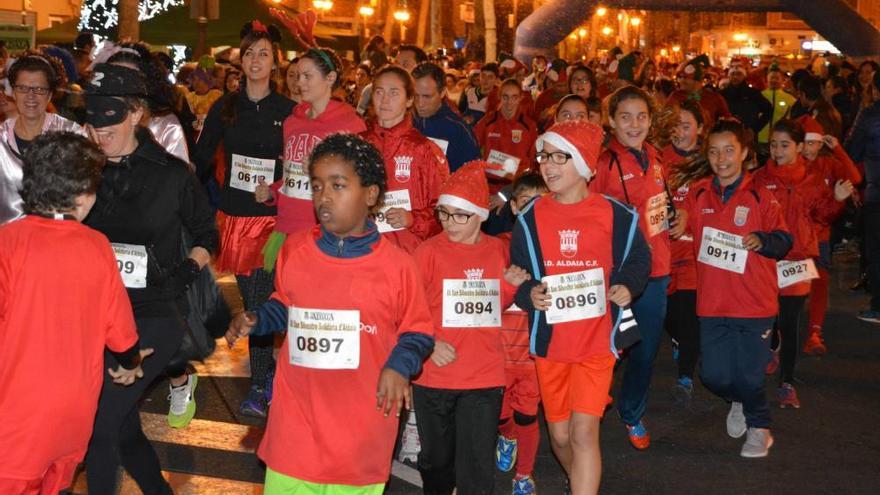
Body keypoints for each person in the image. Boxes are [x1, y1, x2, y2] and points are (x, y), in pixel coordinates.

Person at [225, 133, 435, 495]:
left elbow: (418, 331)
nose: (324, 196)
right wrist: (259, 317)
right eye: (318, 185)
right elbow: (286, 304)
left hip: (360, 429)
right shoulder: (296, 249)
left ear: (370, 195)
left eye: (338, 186)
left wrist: (399, 366)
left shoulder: (398, 267)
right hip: (297, 423)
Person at [82, 63, 218, 494]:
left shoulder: (171, 174)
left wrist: (187, 270)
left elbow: (206, 233)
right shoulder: (84, 169)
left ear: (137, 113)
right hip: (95, 316)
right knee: (119, 425)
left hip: (153, 314)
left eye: (110, 118)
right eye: (92, 117)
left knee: (100, 425)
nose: (98, 130)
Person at [0, 132, 150, 495]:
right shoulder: (96, 246)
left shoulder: (8, 244)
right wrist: (132, 362)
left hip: (15, 415)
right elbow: (122, 333)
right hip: (73, 413)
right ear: (84, 196)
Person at [511, 120, 651, 493]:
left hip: (597, 341)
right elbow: (519, 276)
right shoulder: (529, 219)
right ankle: (581, 482)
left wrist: (626, 286)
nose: (549, 166)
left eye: (561, 157)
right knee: (559, 435)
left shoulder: (617, 215)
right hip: (551, 344)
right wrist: (529, 294)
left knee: (584, 431)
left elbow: (639, 259)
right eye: (545, 157)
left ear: (585, 163)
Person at [192, 21, 294, 418]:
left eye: (263, 54)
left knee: (257, 301)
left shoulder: (288, 111)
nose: (255, 60)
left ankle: (259, 384)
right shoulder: (225, 106)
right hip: (235, 219)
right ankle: (268, 377)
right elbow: (201, 159)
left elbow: (301, 165)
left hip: (271, 222)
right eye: (249, 52)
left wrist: (279, 187)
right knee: (260, 300)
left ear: (275, 63)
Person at [412, 160, 524, 495]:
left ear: (480, 214)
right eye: (443, 213)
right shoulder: (427, 252)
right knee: (436, 463)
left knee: (476, 468)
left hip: (483, 375)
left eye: (459, 214)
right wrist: (429, 344)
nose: (449, 222)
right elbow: (406, 308)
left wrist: (507, 288)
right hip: (435, 376)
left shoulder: (498, 252)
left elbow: (491, 308)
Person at [683, 118, 792, 458]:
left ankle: (760, 427)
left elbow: (784, 239)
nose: (722, 159)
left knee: (749, 376)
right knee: (713, 376)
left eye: (729, 151)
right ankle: (738, 400)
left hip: (755, 305)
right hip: (712, 305)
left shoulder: (761, 195)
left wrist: (763, 240)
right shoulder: (698, 193)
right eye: (714, 152)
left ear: (745, 153)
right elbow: (681, 225)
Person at [591, 86, 687, 450]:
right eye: (626, 117)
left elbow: (658, 208)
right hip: (616, 275)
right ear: (612, 121)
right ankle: (591, 404)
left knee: (645, 352)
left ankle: (632, 412)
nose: (635, 124)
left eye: (642, 117)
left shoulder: (655, 157)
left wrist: (675, 219)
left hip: (657, 270)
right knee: (606, 350)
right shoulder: (603, 163)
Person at [753, 119, 853, 409]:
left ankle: (787, 382)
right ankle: (772, 347)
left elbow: (822, 216)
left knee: (790, 319)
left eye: (785, 145)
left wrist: (836, 199)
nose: (778, 150)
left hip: (798, 260)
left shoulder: (812, 177)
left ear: (799, 147)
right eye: (773, 144)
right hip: (767, 259)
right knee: (767, 318)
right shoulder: (759, 178)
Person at [255, 47, 365, 271]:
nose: (299, 83)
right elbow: (290, 176)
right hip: (286, 225)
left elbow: (358, 182)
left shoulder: (349, 124)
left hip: (323, 228)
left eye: (308, 76)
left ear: (330, 78)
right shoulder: (292, 122)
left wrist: (322, 170)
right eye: (296, 75)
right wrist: (272, 193)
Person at [494, 171, 548, 495]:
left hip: (531, 354)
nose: (532, 209)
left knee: (528, 416)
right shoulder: (494, 247)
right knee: (502, 417)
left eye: (540, 203)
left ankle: (524, 475)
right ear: (513, 207)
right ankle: (506, 434)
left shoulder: (555, 249)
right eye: (525, 203)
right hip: (498, 354)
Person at [361, 65, 449, 254]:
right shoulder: (357, 145)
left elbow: (443, 210)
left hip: (407, 253)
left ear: (409, 100)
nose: (385, 100)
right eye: (379, 92)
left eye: (394, 93)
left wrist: (412, 219)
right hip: (363, 249)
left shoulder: (424, 150)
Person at [800, 116, 861, 353]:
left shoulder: (828, 164)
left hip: (820, 236)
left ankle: (815, 332)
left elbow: (855, 178)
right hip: (794, 237)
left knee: (820, 281)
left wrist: (837, 148)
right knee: (785, 286)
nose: (809, 148)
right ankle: (778, 337)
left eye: (814, 143)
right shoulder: (790, 165)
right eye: (804, 142)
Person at [0, 54, 84, 225]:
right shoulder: (1, 136)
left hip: (56, 240)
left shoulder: (71, 135)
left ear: (50, 95)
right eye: (23, 88)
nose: (31, 96)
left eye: (39, 89)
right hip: (7, 243)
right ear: (13, 92)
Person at [660, 99, 707, 401]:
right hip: (662, 250)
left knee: (689, 313)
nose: (679, 131)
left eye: (687, 125)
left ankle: (685, 378)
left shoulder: (710, 161)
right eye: (675, 124)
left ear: (701, 129)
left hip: (693, 254)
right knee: (668, 316)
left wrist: (690, 217)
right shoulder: (657, 158)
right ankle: (678, 340)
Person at [846, 72, 880, 323]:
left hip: (876, 192)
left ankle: (878, 307)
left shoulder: (869, 116)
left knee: (876, 250)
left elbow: (852, 151)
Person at [411, 62, 481, 173]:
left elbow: (473, 176)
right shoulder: (404, 122)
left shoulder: (459, 130)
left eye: (427, 96)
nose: (420, 103)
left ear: (443, 92)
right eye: (415, 96)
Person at [473, 78, 537, 192]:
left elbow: (533, 159)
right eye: (505, 97)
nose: (509, 102)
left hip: (516, 187)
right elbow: (472, 148)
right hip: (489, 186)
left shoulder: (529, 126)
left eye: (514, 97)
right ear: (500, 97)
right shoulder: (487, 121)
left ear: (520, 98)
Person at [669, 55, 730, 128]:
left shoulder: (714, 98)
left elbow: (727, 122)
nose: (681, 81)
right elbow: (665, 118)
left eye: (685, 78)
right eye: (680, 77)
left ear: (697, 81)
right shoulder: (675, 96)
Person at [720, 58, 771, 139]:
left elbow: (768, 110)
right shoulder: (722, 94)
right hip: (727, 135)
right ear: (729, 76)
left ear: (744, 76)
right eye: (733, 74)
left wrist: (754, 129)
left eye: (739, 74)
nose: (735, 77)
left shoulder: (753, 93)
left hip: (748, 136)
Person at [757, 66, 797, 160]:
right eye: (772, 78)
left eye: (777, 78)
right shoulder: (759, 96)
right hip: (761, 140)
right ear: (767, 80)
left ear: (782, 80)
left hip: (780, 140)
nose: (774, 80)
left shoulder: (790, 99)